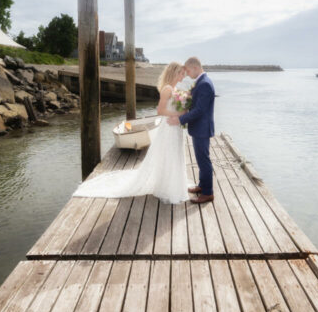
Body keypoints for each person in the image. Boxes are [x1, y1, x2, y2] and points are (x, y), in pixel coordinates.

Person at [72, 62, 190, 204]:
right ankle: (169, 188)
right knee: (170, 154)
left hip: (175, 128)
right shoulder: (167, 89)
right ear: (174, 73)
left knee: (175, 155)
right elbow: (160, 111)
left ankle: (174, 184)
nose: (183, 76)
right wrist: (178, 113)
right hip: (169, 127)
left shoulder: (176, 89)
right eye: (181, 73)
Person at [167, 57, 215, 203]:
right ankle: (202, 185)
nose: (187, 74)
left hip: (202, 128)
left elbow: (200, 110)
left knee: (204, 160)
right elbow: (196, 104)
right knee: (200, 159)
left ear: (195, 68)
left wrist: (180, 119)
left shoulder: (205, 84)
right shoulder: (201, 82)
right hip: (199, 128)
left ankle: (207, 193)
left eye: (187, 71)